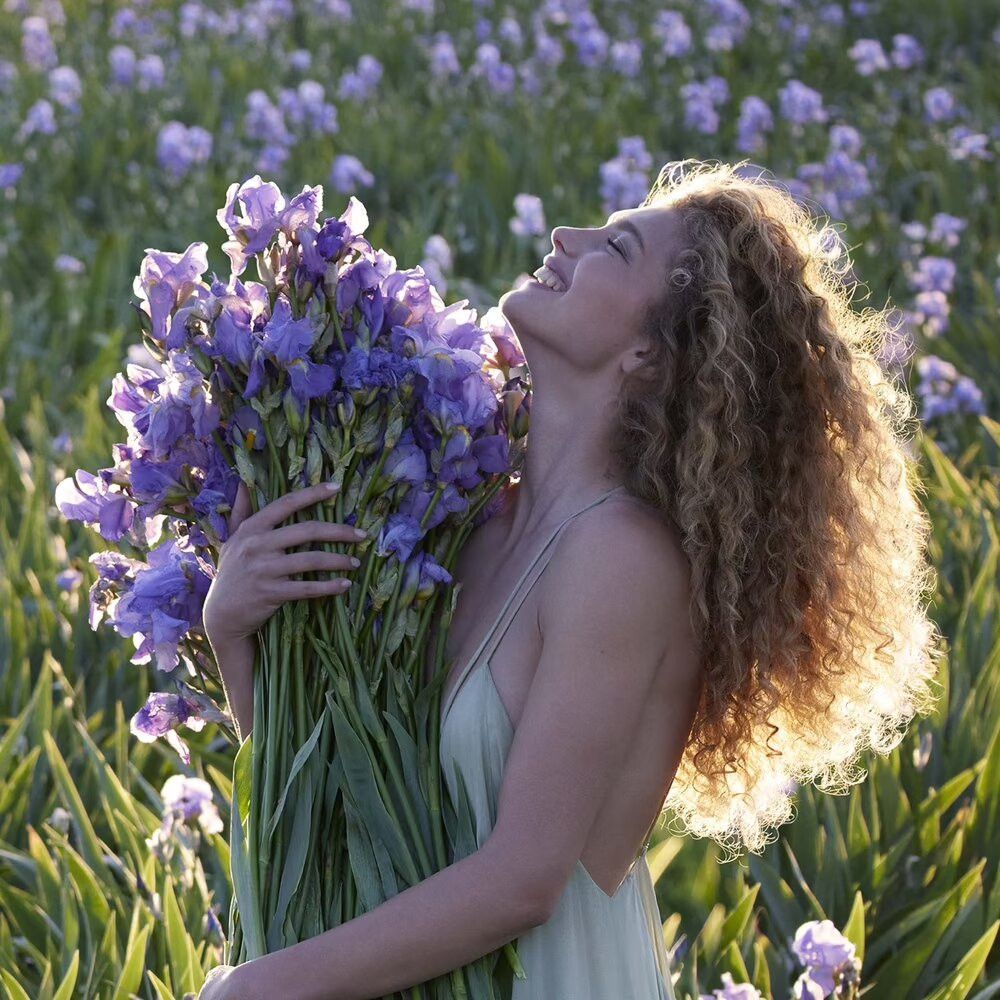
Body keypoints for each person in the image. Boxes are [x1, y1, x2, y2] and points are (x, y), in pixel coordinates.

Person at [200, 157, 943, 1000]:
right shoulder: (470, 523)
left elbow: (522, 881)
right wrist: (234, 634)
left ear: (648, 352)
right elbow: (348, 788)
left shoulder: (623, 560)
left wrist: (253, 988)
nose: (566, 236)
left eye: (615, 247)